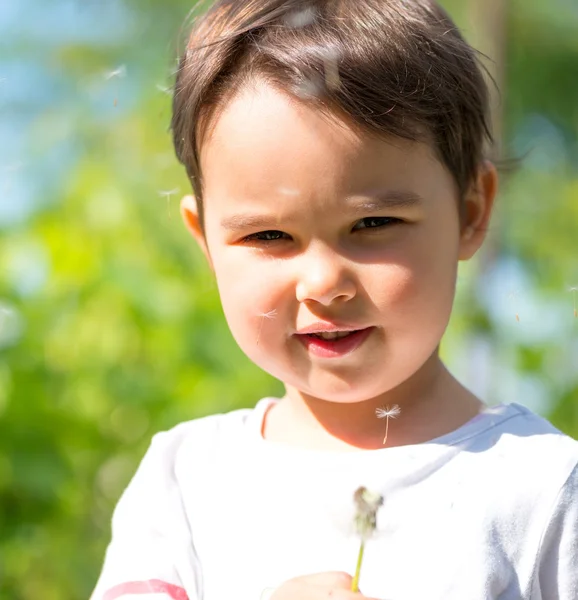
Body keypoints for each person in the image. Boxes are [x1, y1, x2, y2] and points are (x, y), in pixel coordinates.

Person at [90, 1, 578, 599]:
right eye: (268, 236)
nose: (323, 283)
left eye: (373, 224)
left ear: (470, 212)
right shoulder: (185, 480)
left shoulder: (542, 487)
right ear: (208, 243)